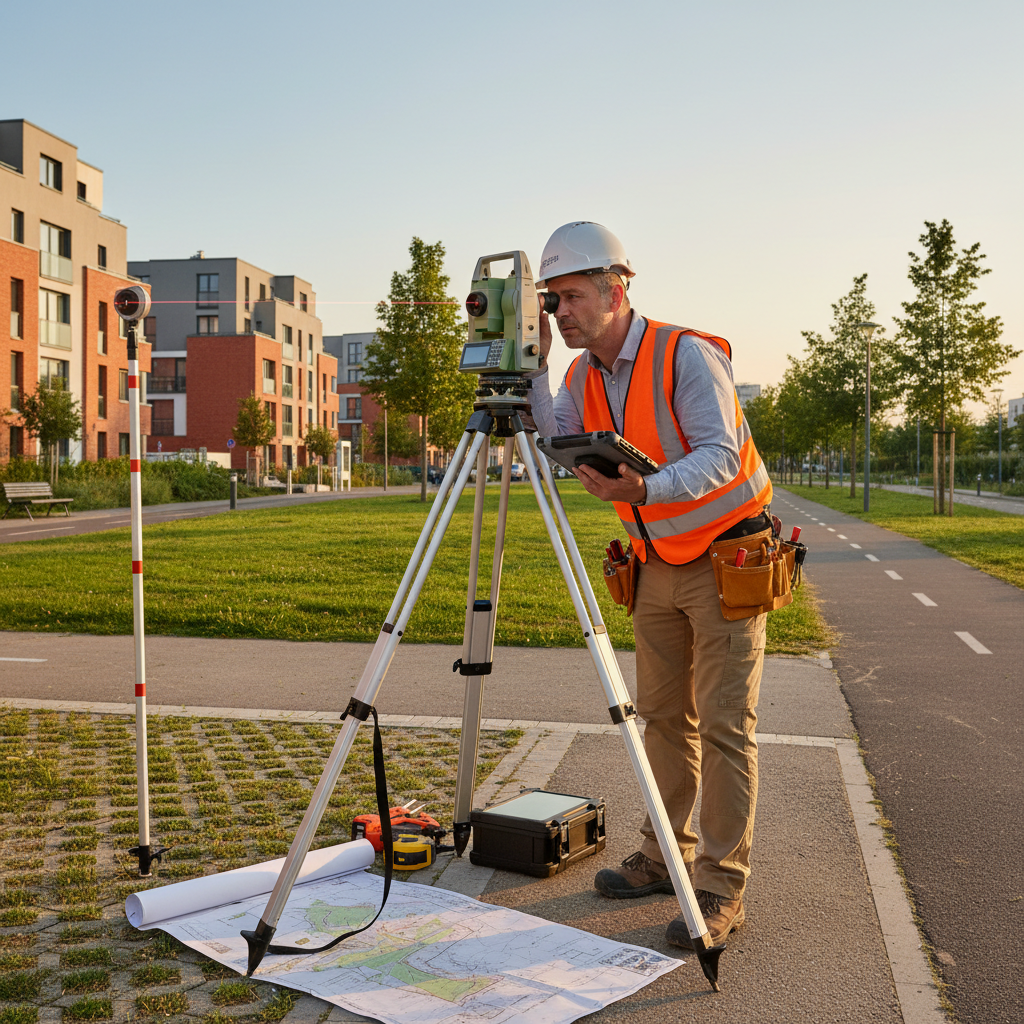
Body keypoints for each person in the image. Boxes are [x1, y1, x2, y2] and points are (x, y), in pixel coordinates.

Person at [527, 221, 773, 947]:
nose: (561, 311)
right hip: (656, 562)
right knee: (663, 721)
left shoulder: (685, 354)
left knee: (727, 727)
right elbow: (556, 447)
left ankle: (722, 888)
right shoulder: (580, 375)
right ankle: (668, 854)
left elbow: (720, 460)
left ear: (616, 288)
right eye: (552, 300)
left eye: (571, 296)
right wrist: (538, 371)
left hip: (728, 560)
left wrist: (645, 489)